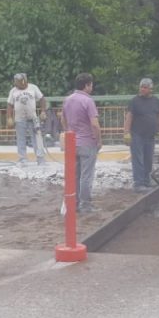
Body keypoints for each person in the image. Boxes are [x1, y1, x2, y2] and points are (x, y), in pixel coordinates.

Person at [61, 73, 102, 213]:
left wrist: (69, 132)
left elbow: (63, 120)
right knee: (86, 176)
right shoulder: (88, 101)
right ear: (86, 85)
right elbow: (95, 124)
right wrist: (98, 140)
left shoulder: (67, 100)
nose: (92, 87)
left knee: (75, 175)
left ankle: (74, 203)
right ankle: (85, 205)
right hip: (87, 142)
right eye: (91, 84)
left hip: (72, 143)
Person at [123, 78, 159, 192]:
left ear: (151, 89)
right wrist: (126, 133)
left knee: (148, 159)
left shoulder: (156, 101)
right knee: (138, 160)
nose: (142, 89)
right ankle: (138, 184)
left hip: (150, 136)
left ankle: (146, 181)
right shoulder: (135, 101)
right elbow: (129, 117)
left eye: (145, 87)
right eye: (141, 87)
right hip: (137, 135)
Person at [6, 73, 48, 165]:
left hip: (33, 117)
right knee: (21, 139)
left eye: (19, 82)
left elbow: (42, 99)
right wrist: (9, 117)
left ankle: (40, 158)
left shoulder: (33, 88)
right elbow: (9, 105)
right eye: (16, 83)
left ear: (24, 81)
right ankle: (22, 159)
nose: (18, 84)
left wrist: (43, 111)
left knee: (37, 138)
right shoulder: (13, 91)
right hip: (19, 119)